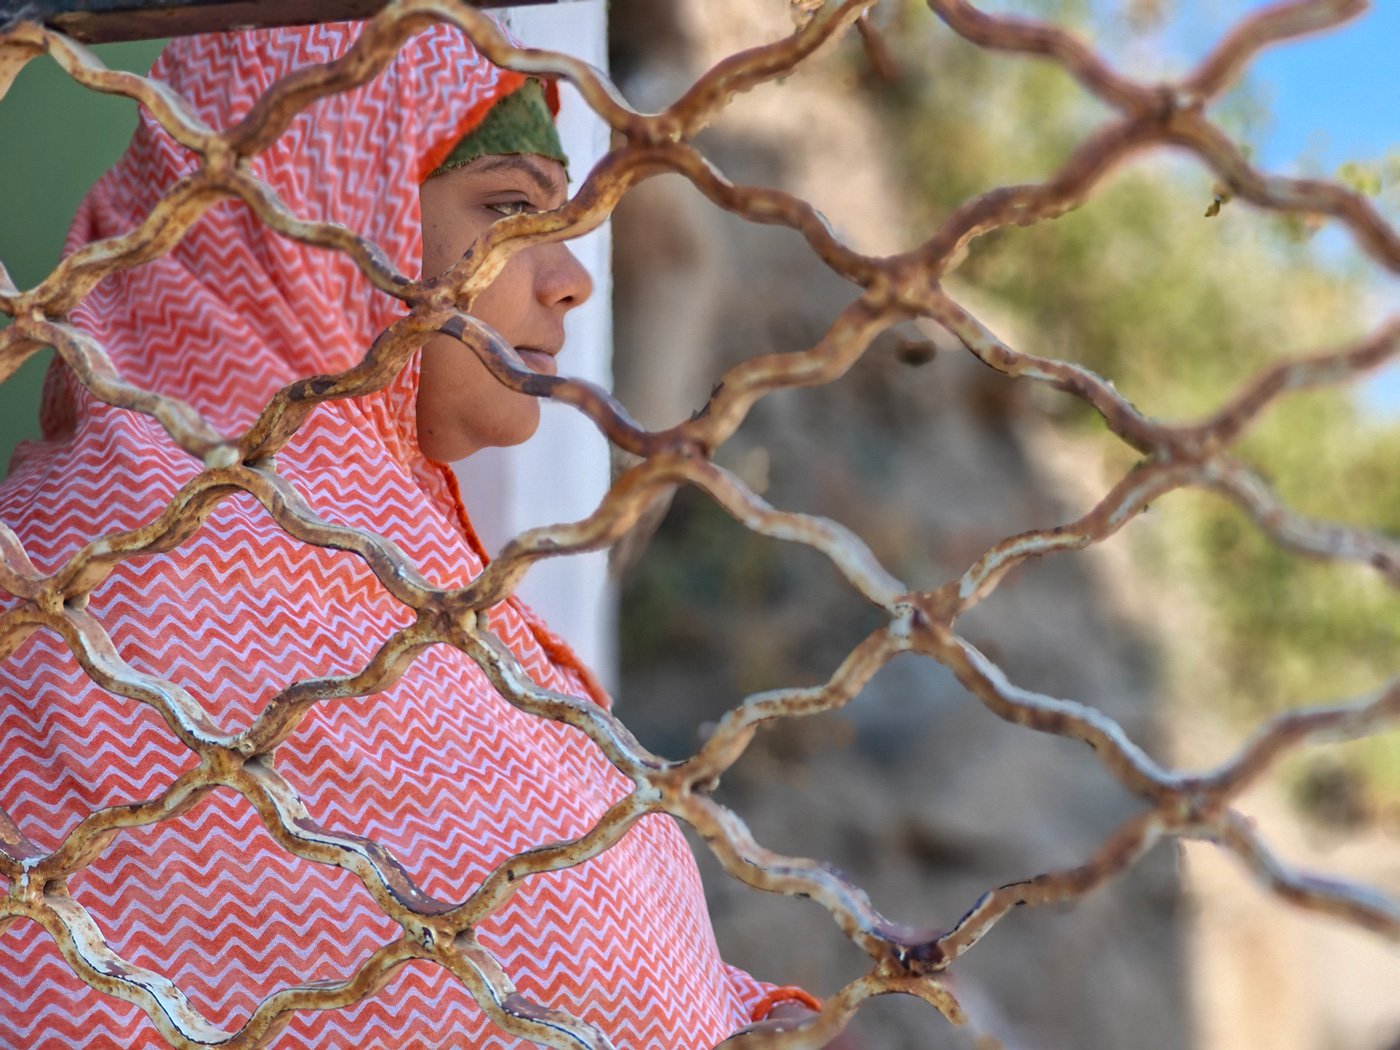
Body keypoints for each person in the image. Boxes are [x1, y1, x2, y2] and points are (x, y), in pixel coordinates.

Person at [0, 18, 834, 1048]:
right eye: (509, 208)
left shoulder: (348, 566)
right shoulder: (146, 591)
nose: (570, 277)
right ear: (321, 210)